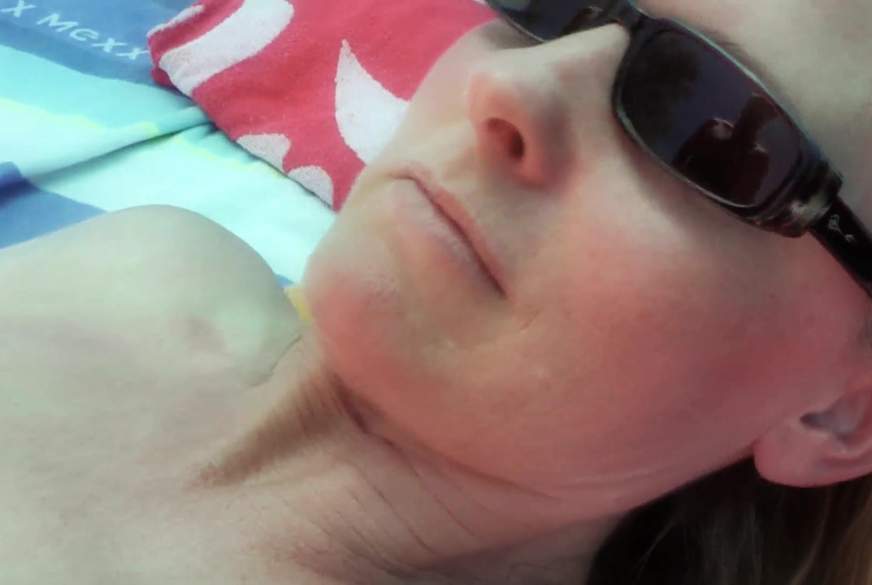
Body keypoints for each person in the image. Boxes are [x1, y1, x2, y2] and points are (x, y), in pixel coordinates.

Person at [2, 1, 872, 584]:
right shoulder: (155, 259)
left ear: (844, 414)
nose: (510, 83)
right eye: (551, 9)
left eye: (709, 128)